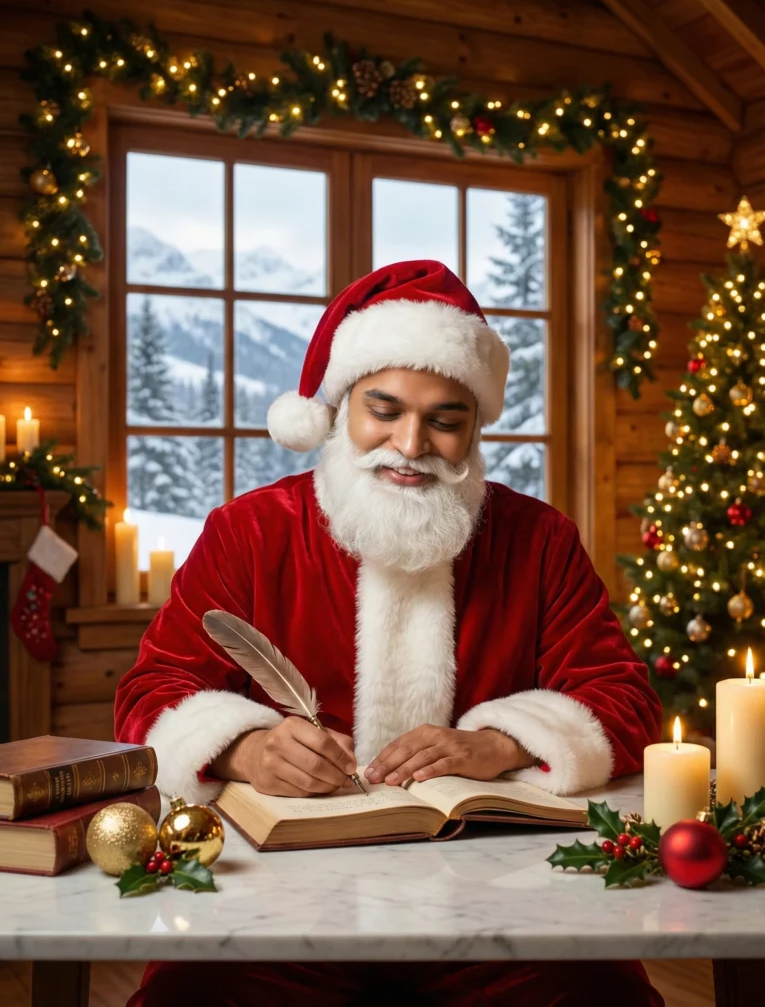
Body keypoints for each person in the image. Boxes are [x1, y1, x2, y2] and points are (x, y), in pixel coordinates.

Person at [116, 260, 664, 1006]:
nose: (410, 445)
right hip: (271, 898)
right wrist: (245, 747)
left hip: (505, 899)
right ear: (339, 407)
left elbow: (622, 695)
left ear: (472, 429)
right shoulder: (247, 533)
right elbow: (152, 693)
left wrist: (498, 745)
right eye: (384, 409)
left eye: (445, 420)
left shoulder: (536, 540)